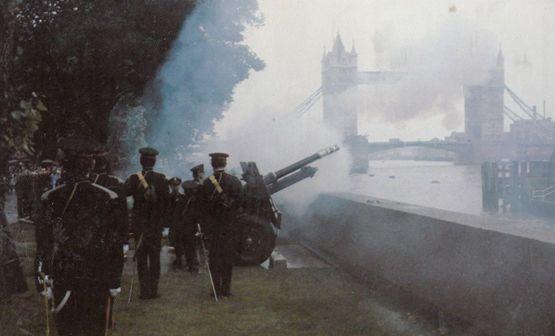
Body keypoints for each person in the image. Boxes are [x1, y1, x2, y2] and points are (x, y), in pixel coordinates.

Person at [34, 136, 127, 336]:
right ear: (91, 166)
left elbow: (43, 242)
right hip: (97, 277)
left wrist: (42, 278)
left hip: (63, 276)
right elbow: (114, 243)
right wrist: (114, 281)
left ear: (65, 166)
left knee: (68, 328)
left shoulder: (51, 198)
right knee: (94, 329)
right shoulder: (108, 198)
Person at [124, 147, 168, 299]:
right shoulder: (162, 179)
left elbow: (125, 193)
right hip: (155, 225)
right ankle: (154, 291)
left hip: (140, 225)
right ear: (154, 162)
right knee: (155, 258)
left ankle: (144, 291)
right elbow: (166, 202)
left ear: (141, 161)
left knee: (141, 258)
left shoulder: (134, 178)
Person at [201, 153, 242, 298]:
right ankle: (226, 289)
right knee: (227, 259)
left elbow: (203, 209)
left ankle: (216, 289)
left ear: (212, 164)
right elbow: (240, 205)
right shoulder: (235, 181)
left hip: (214, 229)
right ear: (225, 164)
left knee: (214, 259)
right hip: (230, 227)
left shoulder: (206, 183)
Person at [176, 164, 204, 273]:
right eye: (196, 173)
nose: (197, 175)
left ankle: (194, 264)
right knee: (191, 245)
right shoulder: (195, 186)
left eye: (197, 173)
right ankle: (194, 264)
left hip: (191, 222)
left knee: (193, 246)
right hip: (192, 222)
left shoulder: (200, 185)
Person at [166, 177, 184, 269]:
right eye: (173, 185)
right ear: (170, 186)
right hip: (172, 223)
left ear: (179, 185)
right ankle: (178, 259)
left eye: (177, 185)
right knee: (173, 241)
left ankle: (179, 260)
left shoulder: (183, 197)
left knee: (180, 242)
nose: (175, 187)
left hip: (181, 223)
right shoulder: (168, 198)